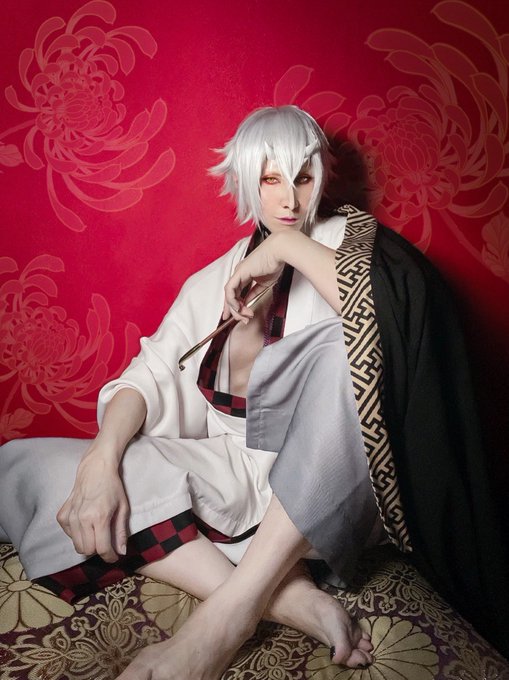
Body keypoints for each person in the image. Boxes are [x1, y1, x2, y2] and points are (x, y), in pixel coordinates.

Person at [0, 106, 507, 679]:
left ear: (322, 177)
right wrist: (101, 460)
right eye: (271, 180)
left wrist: (287, 249)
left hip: (326, 489)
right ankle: (286, 598)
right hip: (234, 477)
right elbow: (147, 375)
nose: (289, 199)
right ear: (246, 181)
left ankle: (226, 618)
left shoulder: (356, 246)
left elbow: (388, 328)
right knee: (25, 464)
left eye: (304, 178)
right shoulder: (213, 279)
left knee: (346, 347)